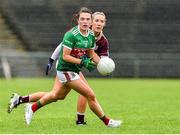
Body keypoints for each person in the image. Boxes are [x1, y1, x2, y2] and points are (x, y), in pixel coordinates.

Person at [8, 7, 121, 127]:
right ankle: (100, 122)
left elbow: (91, 53)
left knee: (57, 95)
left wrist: (102, 65)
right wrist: (52, 59)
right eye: (84, 19)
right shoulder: (72, 34)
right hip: (66, 68)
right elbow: (64, 53)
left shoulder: (94, 37)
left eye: (89, 19)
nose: (87, 22)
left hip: (74, 68)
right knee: (89, 94)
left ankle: (22, 101)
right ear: (80, 20)